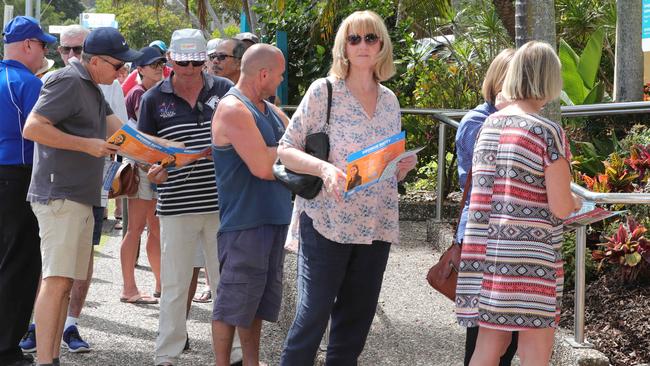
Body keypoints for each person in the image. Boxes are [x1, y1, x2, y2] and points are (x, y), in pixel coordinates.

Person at [278, 10, 417, 365]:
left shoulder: (390, 101)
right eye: (354, 38)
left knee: (356, 321)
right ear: (343, 46)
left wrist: (401, 167)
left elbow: (389, 169)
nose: (363, 45)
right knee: (312, 316)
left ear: (382, 45)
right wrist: (325, 169)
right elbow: (286, 150)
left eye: (371, 38)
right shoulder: (323, 91)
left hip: (375, 225)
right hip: (327, 222)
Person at [455, 41, 582, 366]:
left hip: (486, 257)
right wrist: (577, 202)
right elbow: (560, 207)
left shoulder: (489, 125)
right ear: (549, 80)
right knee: (534, 354)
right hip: (530, 262)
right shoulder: (547, 132)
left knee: (486, 349)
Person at [22, 27, 141, 366]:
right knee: (57, 281)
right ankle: (46, 360)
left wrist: (168, 153)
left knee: (64, 285)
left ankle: (52, 357)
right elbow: (33, 127)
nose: (122, 74)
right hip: (60, 195)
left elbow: (123, 132)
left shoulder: (91, 85)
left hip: (80, 197)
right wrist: (86, 145)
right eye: (118, 66)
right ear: (97, 60)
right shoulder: (68, 80)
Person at [137, 28, 241, 366]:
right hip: (176, 204)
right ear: (169, 59)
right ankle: (166, 354)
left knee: (226, 282)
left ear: (205, 61)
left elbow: (243, 135)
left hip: (222, 204)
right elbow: (146, 151)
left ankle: (235, 353)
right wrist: (155, 170)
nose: (189, 68)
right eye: (182, 61)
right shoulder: (153, 98)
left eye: (196, 61)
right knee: (175, 285)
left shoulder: (225, 90)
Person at [210, 42, 291, 366]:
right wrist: (291, 155)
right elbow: (263, 166)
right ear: (263, 74)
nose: (281, 82)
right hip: (244, 223)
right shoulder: (233, 108)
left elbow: (298, 142)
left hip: (272, 219)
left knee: (254, 304)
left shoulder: (268, 110)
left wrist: (288, 153)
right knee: (231, 304)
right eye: (279, 75)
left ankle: (251, 362)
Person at [454, 48, 519, 366]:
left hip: (509, 238)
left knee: (509, 339)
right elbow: (483, 183)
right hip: (482, 237)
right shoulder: (479, 122)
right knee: (484, 337)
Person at [0, 16, 54, 366]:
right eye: (44, 45)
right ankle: (5, 349)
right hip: (17, 177)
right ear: (29, 45)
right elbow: (43, 135)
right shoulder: (28, 83)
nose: (46, 53)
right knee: (19, 265)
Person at [119, 46, 167, 305]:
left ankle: (160, 284)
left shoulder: (150, 91)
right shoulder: (140, 93)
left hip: (152, 169)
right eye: (153, 64)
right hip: (141, 169)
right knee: (136, 229)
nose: (159, 67)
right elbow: (146, 137)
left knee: (154, 229)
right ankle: (129, 288)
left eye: (161, 62)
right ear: (140, 69)